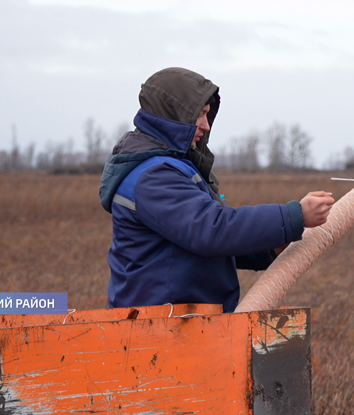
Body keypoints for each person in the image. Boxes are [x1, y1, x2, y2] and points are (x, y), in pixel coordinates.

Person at [99, 67, 334, 313]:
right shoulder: (154, 177)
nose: (205, 125)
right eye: (200, 115)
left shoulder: (168, 169)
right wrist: (294, 215)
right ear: (174, 116)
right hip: (159, 328)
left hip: (181, 321)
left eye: (207, 115)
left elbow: (202, 243)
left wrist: (270, 249)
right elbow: (211, 230)